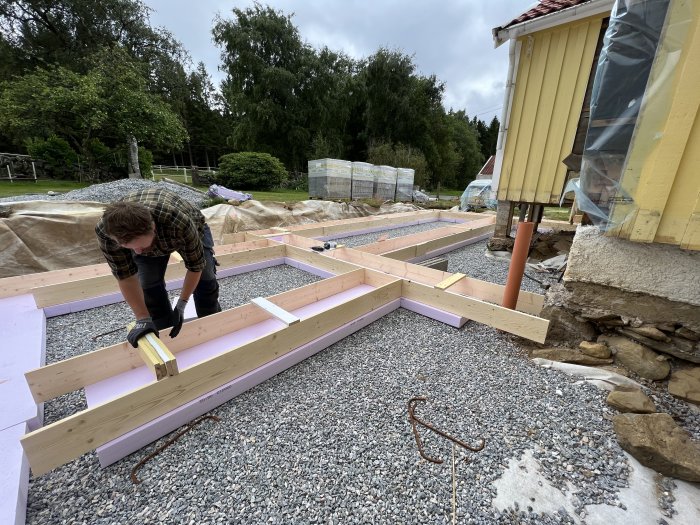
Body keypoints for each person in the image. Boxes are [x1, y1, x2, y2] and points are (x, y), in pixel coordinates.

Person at [96, 187, 221, 347]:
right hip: (157, 233)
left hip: (192, 227)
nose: (137, 252)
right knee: (148, 285)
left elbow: (195, 266)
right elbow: (125, 275)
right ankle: (162, 328)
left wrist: (182, 304)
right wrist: (142, 318)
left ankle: (211, 317)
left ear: (153, 228)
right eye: (130, 247)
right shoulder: (106, 232)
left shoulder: (178, 222)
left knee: (206, 277)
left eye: (140, 246)